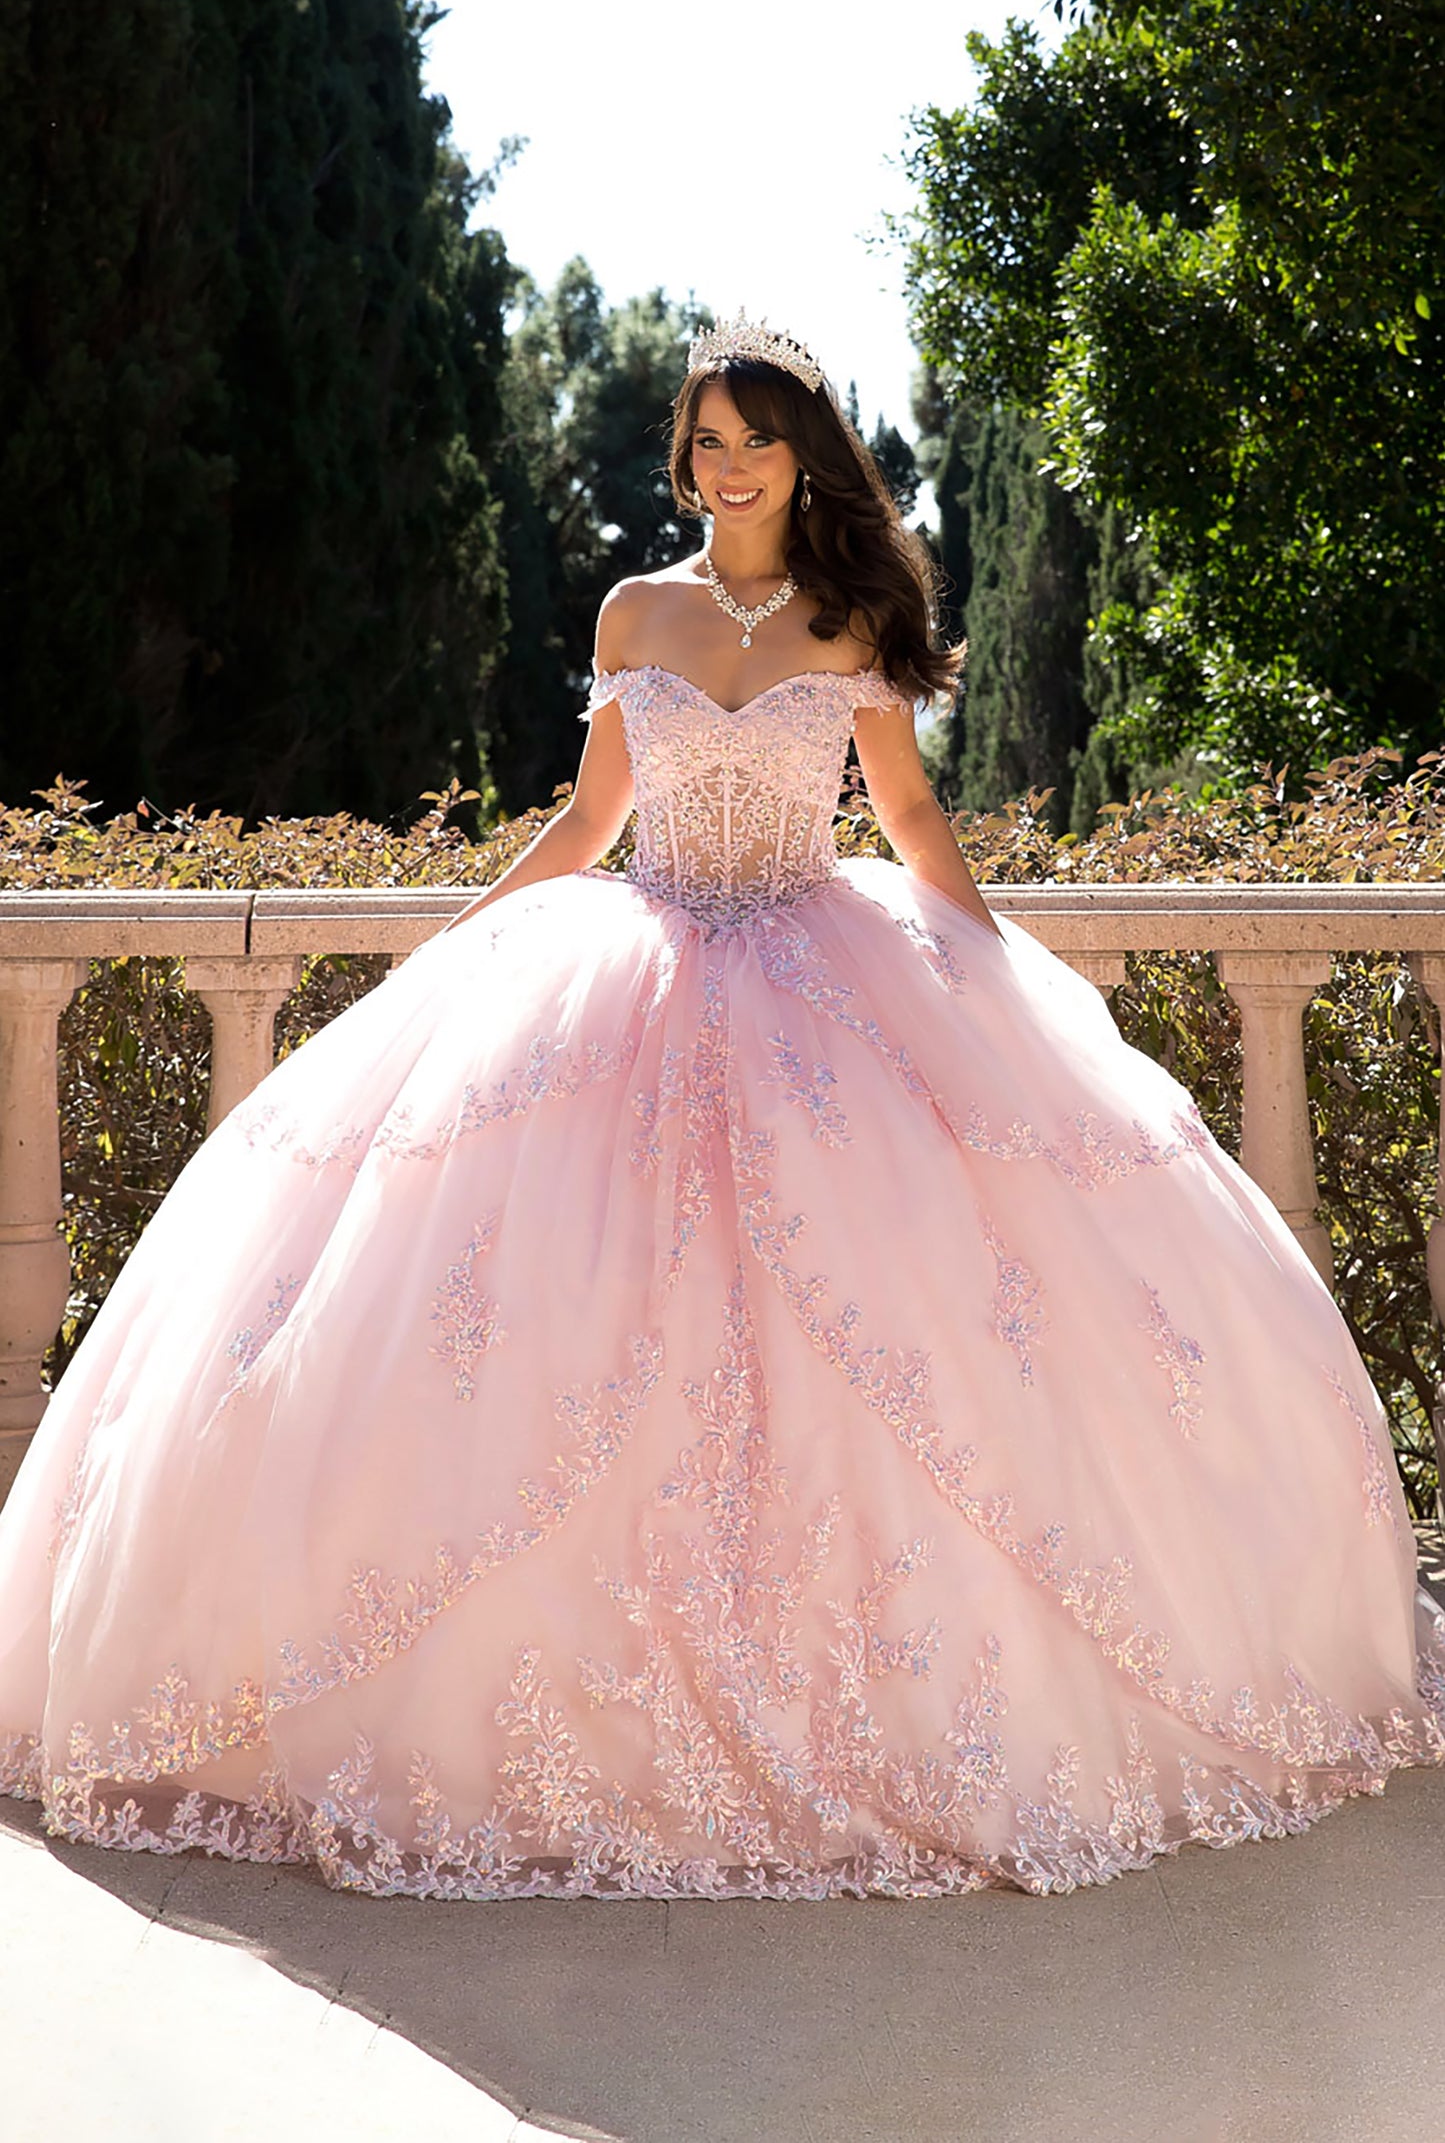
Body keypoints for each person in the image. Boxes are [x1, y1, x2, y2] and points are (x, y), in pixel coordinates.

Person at [1, 314, 1441, 1902]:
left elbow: (907, 815)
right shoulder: (636, 609)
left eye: (757, 438)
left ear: (803, 458)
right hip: (637, 974)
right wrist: (459, 942)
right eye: (707, 440)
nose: (730, 463)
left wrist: (993, 975)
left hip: (824, 977)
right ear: (682, 458)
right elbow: (591, 818)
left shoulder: (852, 617)